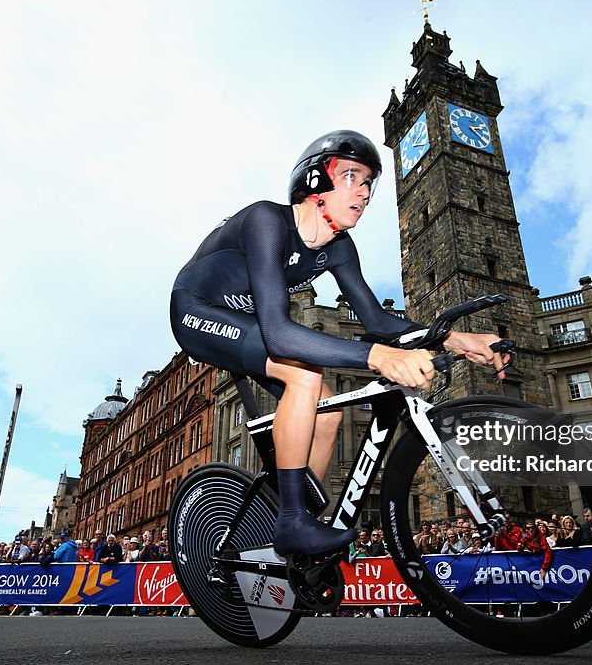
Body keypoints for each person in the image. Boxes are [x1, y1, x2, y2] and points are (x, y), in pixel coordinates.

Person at [169, 130, 510, 557]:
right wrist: (379, 356)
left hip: (245, 321)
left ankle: (287, 521)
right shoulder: (267, 221)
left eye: (369, 183)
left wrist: (457, 339)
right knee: (307, 380)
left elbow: (378, 320)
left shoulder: (339, 248)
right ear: (315, 183)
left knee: (326, 415)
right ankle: (292, 522)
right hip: (196, 311)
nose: (364, 193)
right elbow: (277, 332)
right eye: (352, 176)